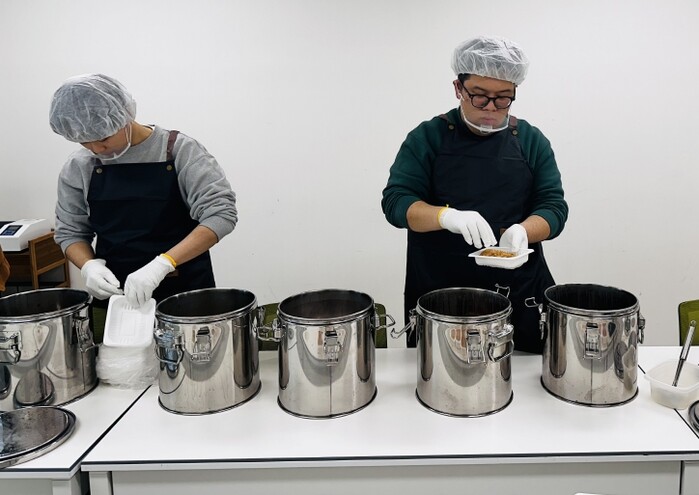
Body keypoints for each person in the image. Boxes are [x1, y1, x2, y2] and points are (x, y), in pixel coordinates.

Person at [381, 35, 568, 353]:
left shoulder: (530, 140)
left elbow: (554, 207)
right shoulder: (428, 138)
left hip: (519, 291)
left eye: (503, 98)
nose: (491, 108)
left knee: (523, 375)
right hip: (442, 295)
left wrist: (524, 231)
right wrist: (446, 217)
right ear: (458, 88)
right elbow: (396, 203)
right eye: (479, 97)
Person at [49, 74, 237, 319]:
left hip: (186, 293)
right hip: (118, 298)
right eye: (85, 142)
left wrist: (163, 264)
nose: (96, 149)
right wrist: (88, 266)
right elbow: (70, 231)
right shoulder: (79, 165)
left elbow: (221, 215)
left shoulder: (178, 150)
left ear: (124, 116)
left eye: (103, 138)